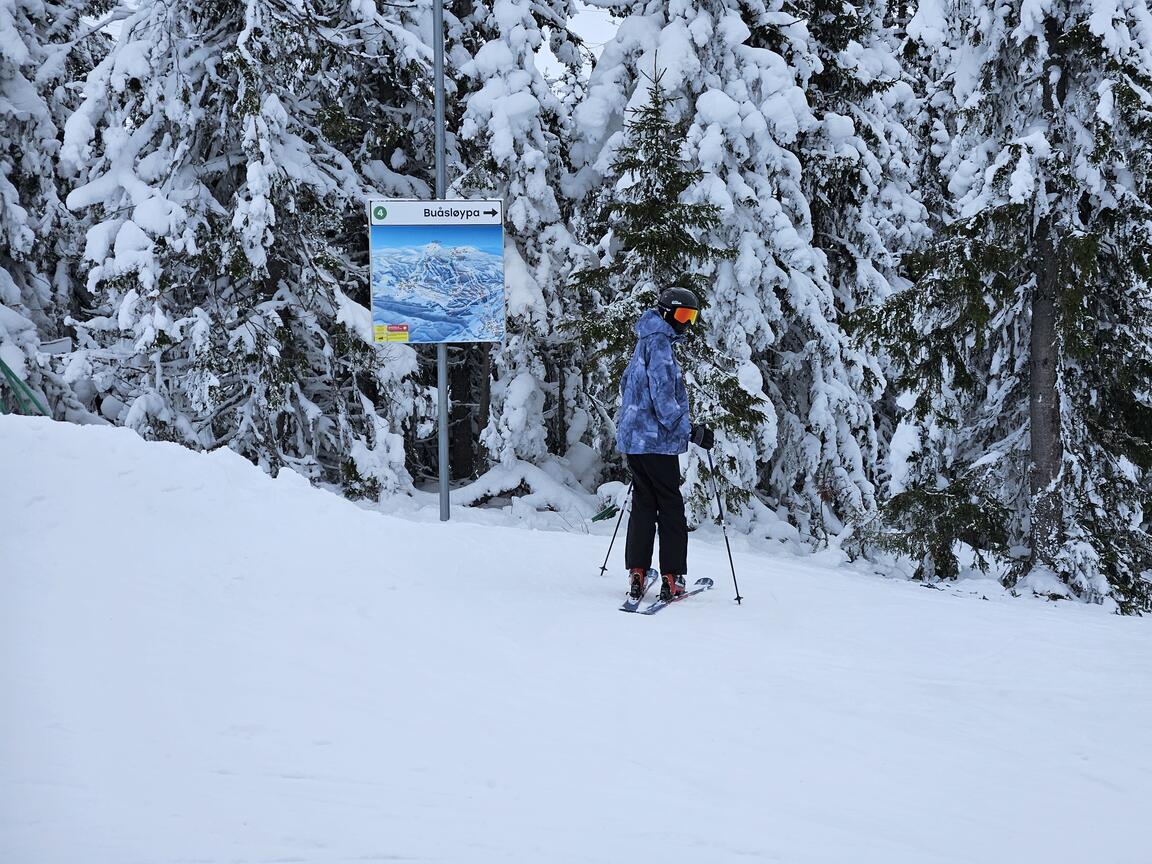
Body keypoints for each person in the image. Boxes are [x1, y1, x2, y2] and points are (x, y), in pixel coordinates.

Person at [616, 286, 714, 603]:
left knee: (645, 503)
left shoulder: (644, 341)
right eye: (683, 315)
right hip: (656, 442)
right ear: (667, 313)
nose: (686, 323)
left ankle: (638, 572)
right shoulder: (659, 345)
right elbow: (663, 396)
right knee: (670, 506)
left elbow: (626, 385)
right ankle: (672, 577)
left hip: (634, 440)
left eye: (692, 316)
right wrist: (691, 431)